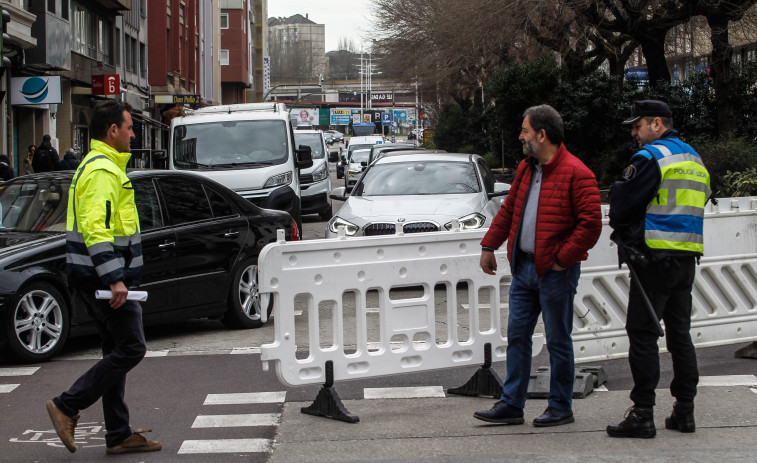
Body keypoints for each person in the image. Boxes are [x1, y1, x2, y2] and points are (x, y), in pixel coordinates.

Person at [473, 105, 602, 427]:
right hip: (524, 269)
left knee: (558, 340)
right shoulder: (527, 168)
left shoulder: (577, 173)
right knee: (517, 336)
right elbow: (509, 210)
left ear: (542, 135)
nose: (521, 136)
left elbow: (591, 225)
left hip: (555, 272)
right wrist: (489, 245)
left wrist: (561, 259)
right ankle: (512, 404)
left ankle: (561, 406)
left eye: (525, 130)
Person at [45, 100, 161, 455]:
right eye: (129, 127)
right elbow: (97, 229)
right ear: (113, 130)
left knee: (116, 348)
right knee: (131, 347)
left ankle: (118, 433)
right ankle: (67, 404)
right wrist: (114, 279)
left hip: (98, 275)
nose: (134, 132)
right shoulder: (101, 171)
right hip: (101, 278)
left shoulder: (102, 167)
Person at [606, 100, 711, 439]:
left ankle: (643, 413)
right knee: (680, 336)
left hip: (653, 259)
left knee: (642, 334)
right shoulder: (693, 158)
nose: (634, 134)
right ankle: (685, 410)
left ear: (655, 123)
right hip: (686, 260)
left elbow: (621, 202)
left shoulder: (652, 157)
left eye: (637, 126)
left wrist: (626, 232)